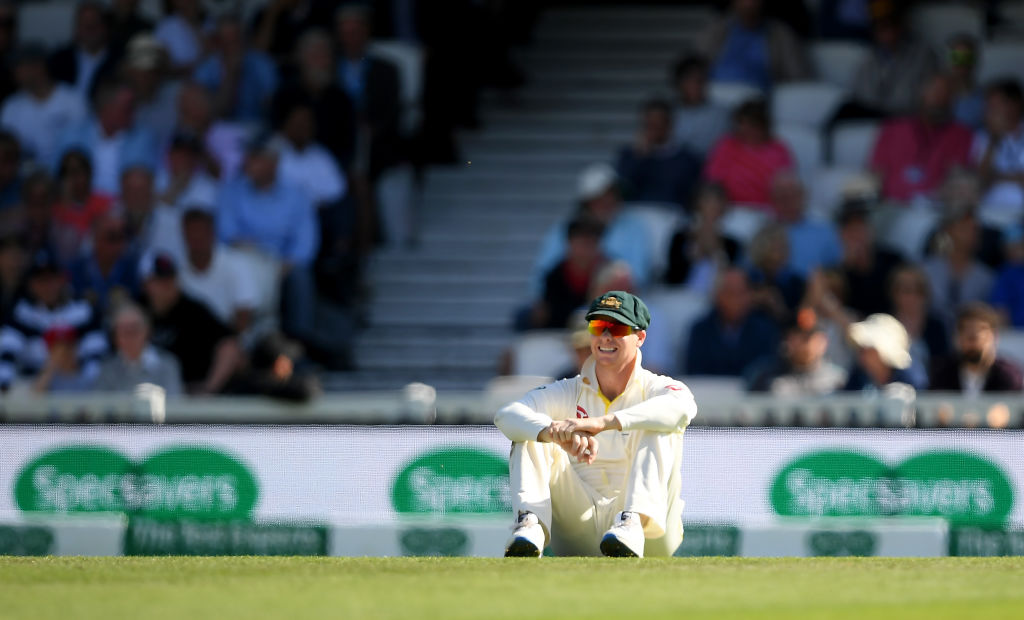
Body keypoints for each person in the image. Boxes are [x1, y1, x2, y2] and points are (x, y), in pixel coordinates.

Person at [495, 290, 698, 558]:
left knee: (660, 425)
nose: (605, 336)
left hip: (651, 536)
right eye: (598, 326)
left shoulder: (657, 387)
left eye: (617, 327)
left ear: (640, 337)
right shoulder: (568, 390)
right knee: (532, 433)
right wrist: (552, 433)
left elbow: (682, 408)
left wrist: (603, 422)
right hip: (578, 529)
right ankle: (530, 526)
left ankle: (632, 522)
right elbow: (507, 415)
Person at [216, 133, 319, 348]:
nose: (248, 162)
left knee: (300, 276)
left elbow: (306, 242)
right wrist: (254, 254)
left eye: (256, 157)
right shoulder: (231, 190)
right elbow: (226, 234)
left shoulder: (296, 195)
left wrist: (286, 263)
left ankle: (299, 344)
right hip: (243, 258)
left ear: (273, 162)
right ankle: (236, 341)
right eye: (248, 156)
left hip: (282, 264)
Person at [531, 164, 653, 297]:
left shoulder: (633, 227)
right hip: (567, 301)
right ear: (587, 201)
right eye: (600, 196)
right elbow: (543, 276)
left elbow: (639, 275)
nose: (607, 201)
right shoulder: (564, 229)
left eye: (612, 194)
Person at [0, 249, 107, 390]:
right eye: (41, 281)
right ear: (31, 284)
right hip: (33, 389)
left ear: (62, 279)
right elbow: (6, 357)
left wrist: (88, 387)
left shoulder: (83, 311)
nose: (47, 286)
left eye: (52, 279)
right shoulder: (20, 314)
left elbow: (95, 358)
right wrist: (5, 390)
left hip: (77, 388)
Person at [139, 251, 243, 395]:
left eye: (170, 277)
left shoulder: (194, 311)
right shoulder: (135, 310)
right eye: (159, 280)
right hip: (142, 394)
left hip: (188, 397)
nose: (167, 284)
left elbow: (230, 346)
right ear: (146, 284)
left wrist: (209, 388)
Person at [869, 74, 973, 204]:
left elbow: (957, 177)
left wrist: (931, 200)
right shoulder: (892, 129)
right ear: (921, 92)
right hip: (890, 206)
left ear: (952, 99)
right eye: (934, 90)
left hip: (935, 209)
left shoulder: (962, 135)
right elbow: (876, 174)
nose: (939, 98)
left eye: (945, 93)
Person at [56, 79, 157, 194]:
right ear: (107, 107)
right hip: (81, 207)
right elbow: (57, 179)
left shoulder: (144, 139)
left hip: (123, 208)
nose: (133, 112)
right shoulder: (71, 136)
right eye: (127, 108)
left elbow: (146, 184)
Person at [848, 0, 939, 118]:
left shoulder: (924, 55)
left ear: (901, 25)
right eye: (881, 27)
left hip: (909, 124)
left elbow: (930, 101)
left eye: (892, 24)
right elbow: (860, 100)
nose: (889, 33)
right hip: (873, 124)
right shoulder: (867, 59)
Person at [1, 44, 86, 167]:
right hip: (22, 180)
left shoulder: (73, 100)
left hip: (65, 176)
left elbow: (83, 146)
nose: (14, 72)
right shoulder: (11, 106)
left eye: (19, 66)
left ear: (38, 66)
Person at [696, 0, 809, 92]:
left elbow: (799, 78)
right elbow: (694, 69)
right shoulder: (714, 32)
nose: (748, 4)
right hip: (717, 100)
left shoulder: (781, 34)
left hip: (758, 107)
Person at [684, 267, 779, 376]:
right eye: (731, 293)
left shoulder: (765, 330)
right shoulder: (700, 331)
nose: (736, 300)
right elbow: (695, 373)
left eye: (742, 292)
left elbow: (767, 370)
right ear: (718, 296)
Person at [704, 99, 795, 209]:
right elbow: (713, 180)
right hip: (729, 210)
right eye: (741, 123)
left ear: (763, 125)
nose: (745, 129)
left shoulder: (779, 150)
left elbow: (785, 188)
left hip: (768, 212)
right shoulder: (726, 146)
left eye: (752, 124)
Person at [193, 14, 279, 123]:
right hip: (219, 129)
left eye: (235, 39)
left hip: (257, 127)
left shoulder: (262, 63)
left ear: (244, 39)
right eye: (225, 40)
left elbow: (272, 106)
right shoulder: (206, 68)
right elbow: (216, 112)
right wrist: (231, 74)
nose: (231, 46)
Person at [615, 99, 700, 208]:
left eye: (659, 123)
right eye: (650, 124)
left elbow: (691, 194)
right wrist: (639, 157)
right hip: (636, 213)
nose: (654, 128)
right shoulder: (629, 155)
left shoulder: (687, 159)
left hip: (673, 215)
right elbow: (622, 189)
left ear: (670, 124)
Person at [526, 216, 606, 330]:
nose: (586, 249)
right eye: (582, 243)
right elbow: (547, 314)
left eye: (591, 243)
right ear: (570, 243)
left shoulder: (610, 271)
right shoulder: (555, 275)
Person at [747, 307, 847, 395]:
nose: (804, 344)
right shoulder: (766, 376)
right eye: (798, 337)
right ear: (786, 340)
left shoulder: (838, 381)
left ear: (823, 341)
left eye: (808, 337)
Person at [923, 206, 994, 329]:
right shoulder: (925, 270)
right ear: (948, 231)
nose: (971, 234)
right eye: (964, 228)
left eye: (975, 229)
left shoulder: (987, 277)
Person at [929, 302, 1023, 394]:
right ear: (957, 338)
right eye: (966, 332)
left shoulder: (1009, 378)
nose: (973, 341)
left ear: (995, 337)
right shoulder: (942, 376)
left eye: (981, 331)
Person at [94, 302, 183, 395]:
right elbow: (100, 404)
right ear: (115, 336)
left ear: (147, 330)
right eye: (124, 330)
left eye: (135, 328)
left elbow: (173, 403)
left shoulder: (168, 365)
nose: (130, 335)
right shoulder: (107, 369)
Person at [835, 199, 904, 318]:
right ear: (842, 235)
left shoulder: (893, 260)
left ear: (870, 230)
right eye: (851, 230)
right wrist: (847, 267)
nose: (857, 236)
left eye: (860, 229)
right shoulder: (840, 272)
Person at [664, 182, 739, 290]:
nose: (712, 207)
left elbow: (731, 276)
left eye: (717, 202)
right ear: (697, 205)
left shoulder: (732, 245)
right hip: (680, 296)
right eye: (707, 201)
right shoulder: (680, 238)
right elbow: (674, 275)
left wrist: (715, 250)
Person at [887, 264, 950, 390]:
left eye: (918, 290)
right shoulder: (885, 325)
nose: (912, 296)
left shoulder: (936, 327)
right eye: (906, 290)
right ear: (894, 293)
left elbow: (942, 365)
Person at [971, 79, 1024, 223]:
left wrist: (998, 177)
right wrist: (994, 140)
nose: (990, 111)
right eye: (989, 106)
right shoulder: (981, 137)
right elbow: (979, 182)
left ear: (1015, 105)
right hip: (988, 216)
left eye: (996, 105)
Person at [47, 1, 122, 101]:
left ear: (105, 26)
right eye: (84, 23)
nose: (90, 29)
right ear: (76, 28)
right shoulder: (60, 60)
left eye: (94, 22)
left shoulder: (119, 61)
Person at [772, 171, 841, 277]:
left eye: (793, 195)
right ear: (773, 200)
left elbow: (838, 268)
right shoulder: (765, 234)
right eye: (783, 196)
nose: (789, 201)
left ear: (804, 195)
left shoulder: (825, 231)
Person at [68, 212, 138, 313]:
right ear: (95, 238)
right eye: (112, 237)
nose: (118, 244)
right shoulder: (76, 269)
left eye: (122, 237)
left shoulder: (132, 268)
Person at [669, 55, 731, 159]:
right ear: (678, 83)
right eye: (689, 80)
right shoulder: (667, 113)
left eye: (700, 80)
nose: (695, 85)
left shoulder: (722, 113)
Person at [843, 312, 915, 392]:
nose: (862, 355)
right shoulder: (859, 375)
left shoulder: (910, 378)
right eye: (862, 348)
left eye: (869, 349)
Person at [946, 34, 984, 130]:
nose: (962, 63)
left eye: (967, 57)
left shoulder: (985, 98)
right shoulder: (938, 95)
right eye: (957, 57)